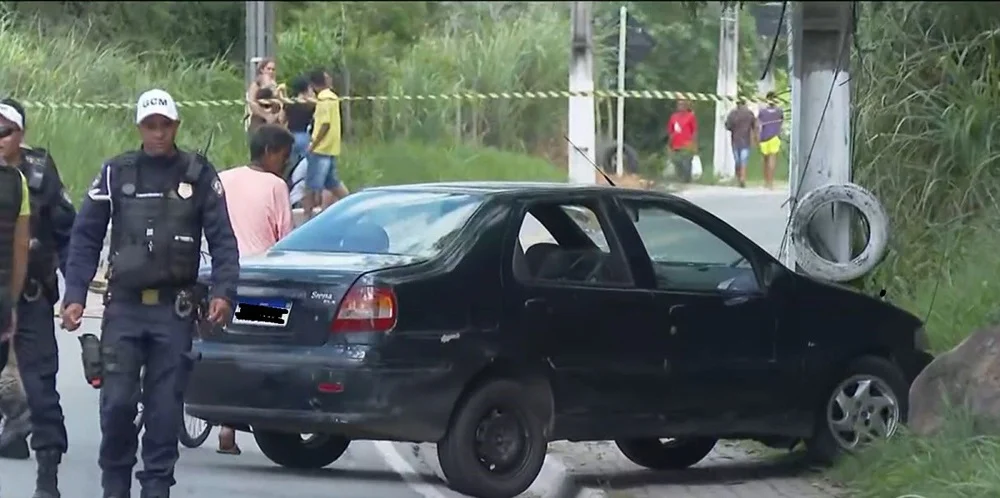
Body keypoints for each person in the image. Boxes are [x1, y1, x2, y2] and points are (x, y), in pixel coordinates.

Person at [61, 89, 240, 498]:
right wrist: (74, 294)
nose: (158, 133)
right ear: (140, 128)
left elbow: (223, 240)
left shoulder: (198, 174)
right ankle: (115, 487)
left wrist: (224, 292)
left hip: (173, 313)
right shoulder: (116, 172)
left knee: (163, 411)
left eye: (165, 125)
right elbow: (86, 236)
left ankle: (156, 488)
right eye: (150, 125)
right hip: (123, 310)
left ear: (176, 126)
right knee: (117, 405)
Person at [0, 97, 75, 497]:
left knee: (42, 393)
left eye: (5, 130)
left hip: (30, 300)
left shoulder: (40, 175)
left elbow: (69, 234)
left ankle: (48, 477)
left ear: (21, 135)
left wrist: (74, 292)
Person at [214, 124, 295, 455]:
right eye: (284, 157)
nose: (286, 164)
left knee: (224, 348)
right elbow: (287, 240)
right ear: (270, 152)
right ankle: (246, 426)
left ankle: (224, 429)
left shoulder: (223, 177)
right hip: (261, 283)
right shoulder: (276, 186)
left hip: (219, 279)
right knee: (264, 351)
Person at [0, 127, 31, 493]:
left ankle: (18, 413)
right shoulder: (16, 180)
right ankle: (18, 415)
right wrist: (13, 296)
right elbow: (21, 247)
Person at [304, 69, 349, 219]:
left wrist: (313, 145)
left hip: (321, 149)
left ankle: (307, 217)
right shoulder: (333, 97)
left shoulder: (323, 98)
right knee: (333, 183)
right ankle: (351, 204)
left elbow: (325, 124)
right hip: (331, 147)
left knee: (310, 186)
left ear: (313, 84)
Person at [725, 98, 758, 188]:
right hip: (746, 140)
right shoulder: (749, 113)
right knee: (743, 160)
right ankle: (742, 179)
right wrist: (755, 139)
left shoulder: (733, 114)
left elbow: (727, 126)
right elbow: (755, 126)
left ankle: (739, 178)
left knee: (738, 161)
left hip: (735, 140)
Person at [245, 57, 283, 136]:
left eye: (273, 69)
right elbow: (251, 103)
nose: (271, 72)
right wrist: (265, 115)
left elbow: (280, 104)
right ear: (262, 70)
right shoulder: (255, 84)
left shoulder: (276, 86)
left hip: (274, 122)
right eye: (268, 69)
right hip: (259, 121)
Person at [757, 91, 784, 189]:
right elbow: (781, 122)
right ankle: (771, 183)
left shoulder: (762, 111)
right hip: (775, 137)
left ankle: (766, 181)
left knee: (765, 160)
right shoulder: (779, 111)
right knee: (772, 159)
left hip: (764, 137)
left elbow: (758, 124)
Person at [666, 100, 698, 182]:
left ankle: (687, 180)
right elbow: (670, 131)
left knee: (686, 163)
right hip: (675, 145)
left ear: (686, 106)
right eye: (679, 104)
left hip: (687, 145)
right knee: (677, 162)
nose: (680, 106)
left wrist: (694, 144)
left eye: (683, 104)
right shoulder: (673, 117)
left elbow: (694, 131)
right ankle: (680, 178)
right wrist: (669, 145)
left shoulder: (690, 116)